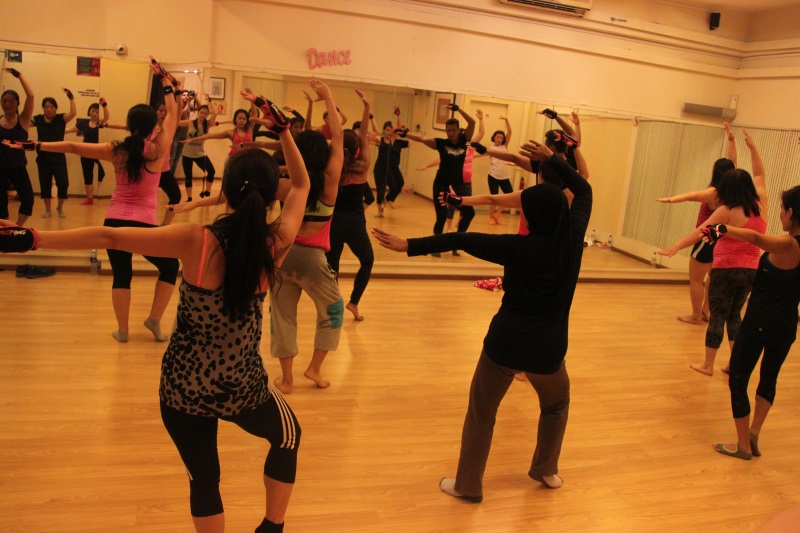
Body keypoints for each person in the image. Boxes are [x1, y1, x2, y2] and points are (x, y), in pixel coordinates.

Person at [0, 91, 310, 533]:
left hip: (182, 389)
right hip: (241, 387)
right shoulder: (274, 244)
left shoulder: (196, 240)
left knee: (204, 479)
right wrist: (283, 132)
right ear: (269, 195)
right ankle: (271, 528)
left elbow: (110, 237)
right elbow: (301, 186)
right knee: (289, 436)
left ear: (224, 192)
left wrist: (34, 239)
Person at [372, 138, 592, 503]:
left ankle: (468, 485)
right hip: (549, 350)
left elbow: (463, 238)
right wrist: (553, 159)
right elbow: (583, 189)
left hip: (505, 344)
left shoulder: (516, 247)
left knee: (482, 413)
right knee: (556, 404)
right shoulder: (572, 240)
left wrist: (409, 245)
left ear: (530, 217)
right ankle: (545, 469)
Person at [5, 63, 181, 343]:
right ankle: (154, 320)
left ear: (129, 125)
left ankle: (123, 331)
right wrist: (165, 82)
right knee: (170, 267)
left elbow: (73, 147)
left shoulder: (116, 150)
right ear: (153, 127)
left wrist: (33, 145)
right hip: (144, 227)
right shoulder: (160, 149)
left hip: (114, 222)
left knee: (121, 275)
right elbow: (172, 113)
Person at [698, 186, 800, 461]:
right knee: (769, 377)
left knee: (738, 379)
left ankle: (743, 445)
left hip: (759, 322)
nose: (780, 214)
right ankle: (753, 434)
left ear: (791, 212)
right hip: (787, 324)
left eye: (782, 209)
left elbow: (756, 238)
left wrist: (722, 228)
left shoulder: (789, 244)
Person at [658, 131, 767, 376]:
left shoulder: (726, 211)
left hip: (725, 269)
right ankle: (734, 365)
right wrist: (753, 148)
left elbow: (701, 232)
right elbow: (759, 174)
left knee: (717, 315)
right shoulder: (761, 204)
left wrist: (676, 246)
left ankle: (707, 365)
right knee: (735, 316)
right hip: (751, 270)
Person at [269, 79, 345, 394]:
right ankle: (314, 369)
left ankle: (286, 379)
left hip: (283, 255)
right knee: (334, 309)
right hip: (313, 260)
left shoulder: (287, 185)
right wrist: (328, 98)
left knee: (281, 316)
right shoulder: (330, 182)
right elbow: (338, 137)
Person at [656, 122, 737, 325]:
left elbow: (691, 195)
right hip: (722, 239)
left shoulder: (713, 192)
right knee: (712, 277)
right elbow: (733, 163)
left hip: (705, 238)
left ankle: (695, 315)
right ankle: (705, 311)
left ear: (715, 173)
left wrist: (671, 199)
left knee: (696, 279)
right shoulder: (733, 191)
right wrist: (731, 141)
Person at [326, 90, 373, 321]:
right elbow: (363, 133)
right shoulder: (363, 166)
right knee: (367, 261)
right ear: (356, 149)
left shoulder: (333, 167)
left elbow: (336, 136)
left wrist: (329, 100)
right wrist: (366, 108)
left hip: (334, 223)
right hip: (355, 224)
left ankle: (333, 306)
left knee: (332, 267)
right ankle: (354, 303)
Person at [405, 104, 476, 256]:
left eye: (453, 130)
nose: (451, 133)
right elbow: (423, 139)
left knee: (469, 213)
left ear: (458, 130)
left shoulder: (464, 140)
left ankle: (458, 241)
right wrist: (407, 135)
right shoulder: (441, 143)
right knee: (442, 216)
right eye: (448, 130)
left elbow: (472, 122)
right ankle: (435, 246)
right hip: (441, 185)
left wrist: (458, 109)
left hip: (458, 185)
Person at [31, 88, 77, 218]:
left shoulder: (60, 118)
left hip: (58, 158)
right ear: (43, 108)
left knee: (63, 183)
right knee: (45, 184)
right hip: (43, 158)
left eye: (51, 107)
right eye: (46, 107)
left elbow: (73, 113)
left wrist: (71, 98)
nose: (49, 109)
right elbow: (24, 122)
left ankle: (59, 207)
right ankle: (47, 210)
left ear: (55, 108)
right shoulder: (38, 119)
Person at [0, 68, 35, 226]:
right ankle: (4, 232)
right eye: (4, 101)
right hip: (0, 169)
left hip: (18, 168)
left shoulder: (23, 120)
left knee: (28, 199)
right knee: (1, 205)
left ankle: (17, 228)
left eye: (11, 101)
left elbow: (31, 96)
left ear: (17, 104)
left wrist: (19, 75)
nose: (7, 104)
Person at [65, 97, 111, 204]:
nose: (94, 113)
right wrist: (57, 130)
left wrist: (104, 106)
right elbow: (69, 130)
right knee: (88, 175)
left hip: (97, 152)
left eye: (97, 112)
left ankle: (94, 193)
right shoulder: (83, 123)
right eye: (93, 111)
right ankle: (89, 198)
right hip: (85, 152)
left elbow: (107, 117)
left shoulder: (100, 123)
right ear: (89, 111)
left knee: (101, 173)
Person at [180, 103, 219, 202]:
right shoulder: (190, 122)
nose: (203, 115)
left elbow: (215, 113)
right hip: (187, 154)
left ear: (207, 115)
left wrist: (210, 101)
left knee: (211, 171)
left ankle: (207, 192)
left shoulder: (208, 124)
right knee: (188, 177)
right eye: (201, 112)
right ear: (198, 113)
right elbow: (177, 122)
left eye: (205, 113)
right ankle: (189, 198)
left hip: (199, 154)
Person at [372, 119, 409, 217]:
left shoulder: (393, 141)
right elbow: (375, 131)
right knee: (381, 190)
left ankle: (385, 203)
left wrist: (405, 131)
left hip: (388, 171)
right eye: (387, 130)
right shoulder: (380, 140)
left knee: (394, 188)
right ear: (384, 130)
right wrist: (372, 119)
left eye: (391, 130)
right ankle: (379, 212)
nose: (389, 132)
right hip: (379, 170)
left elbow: (399, 131)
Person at [486, 115, 512, 225]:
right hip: (493, 175)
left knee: (510, 196)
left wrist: (506, 120)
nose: (500, 139)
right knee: (494, 198)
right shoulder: (491, 148)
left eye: (501, 138)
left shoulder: (504, 146)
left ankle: (497, 214)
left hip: (504, 176)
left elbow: (510, 132)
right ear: (494, 137)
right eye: (498, 137)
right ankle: (491, 217)